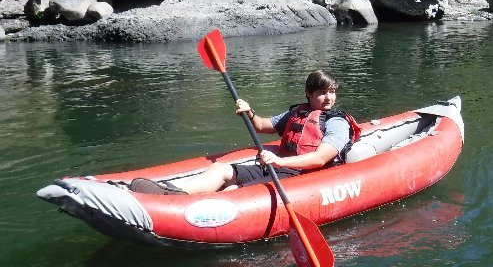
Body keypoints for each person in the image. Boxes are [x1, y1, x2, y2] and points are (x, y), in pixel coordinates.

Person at [130, 69, 360, 195]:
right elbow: (261, 125)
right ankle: (175, 193)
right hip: (277, 167)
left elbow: (321, 157)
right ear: (309, 94)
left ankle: (189, 210)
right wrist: (249, 112)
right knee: (220, 169)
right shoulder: (297, 112)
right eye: (322, 92)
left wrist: (278, 161)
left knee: (232, 189)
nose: (328, 97)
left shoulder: (336, 121)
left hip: (304, 177)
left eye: (332, 92)